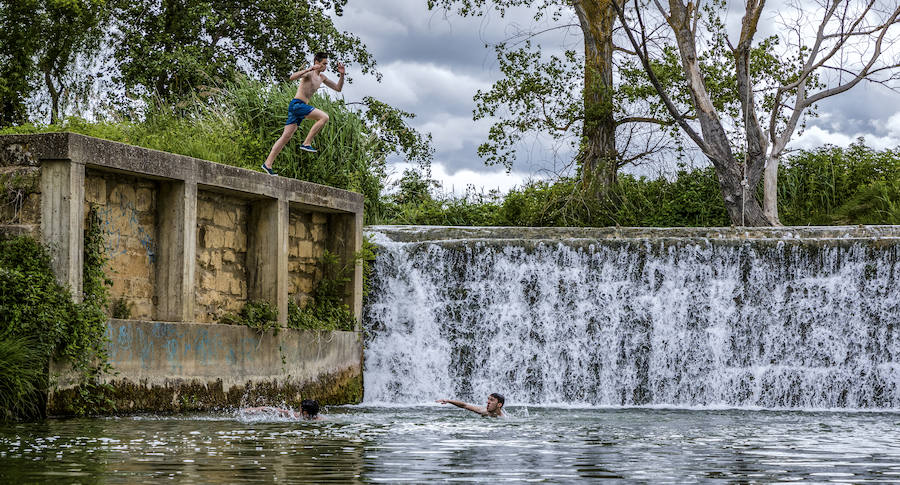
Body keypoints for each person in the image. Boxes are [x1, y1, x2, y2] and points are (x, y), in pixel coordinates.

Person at [261, 52, 345, 175]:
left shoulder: (322, 77)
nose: (325, 66)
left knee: (286, 137)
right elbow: (292, 77)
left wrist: (342, 75)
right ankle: (306, 143)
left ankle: (267, 164)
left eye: (326, 64)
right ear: (316, 62)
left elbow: (338, 88)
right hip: (297, 105)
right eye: (323, 64)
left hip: (299, 108)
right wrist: (309, 68)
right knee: (324, 117)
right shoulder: (309, 73)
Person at [436, 393, 505, 418]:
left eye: (491, 400)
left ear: (499, 404)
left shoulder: (503, 418)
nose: (488, 402)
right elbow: (464, 405)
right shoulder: (484, 411)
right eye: (488, 399)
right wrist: (449, 401)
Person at [242, 399, 323, 420]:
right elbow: (272, 409)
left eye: (300, 408)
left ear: (305, 412)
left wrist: (250, 410)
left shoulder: (296, 417)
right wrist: (254, 410)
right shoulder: (320, 419)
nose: (299, 409)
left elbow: (270, 409)